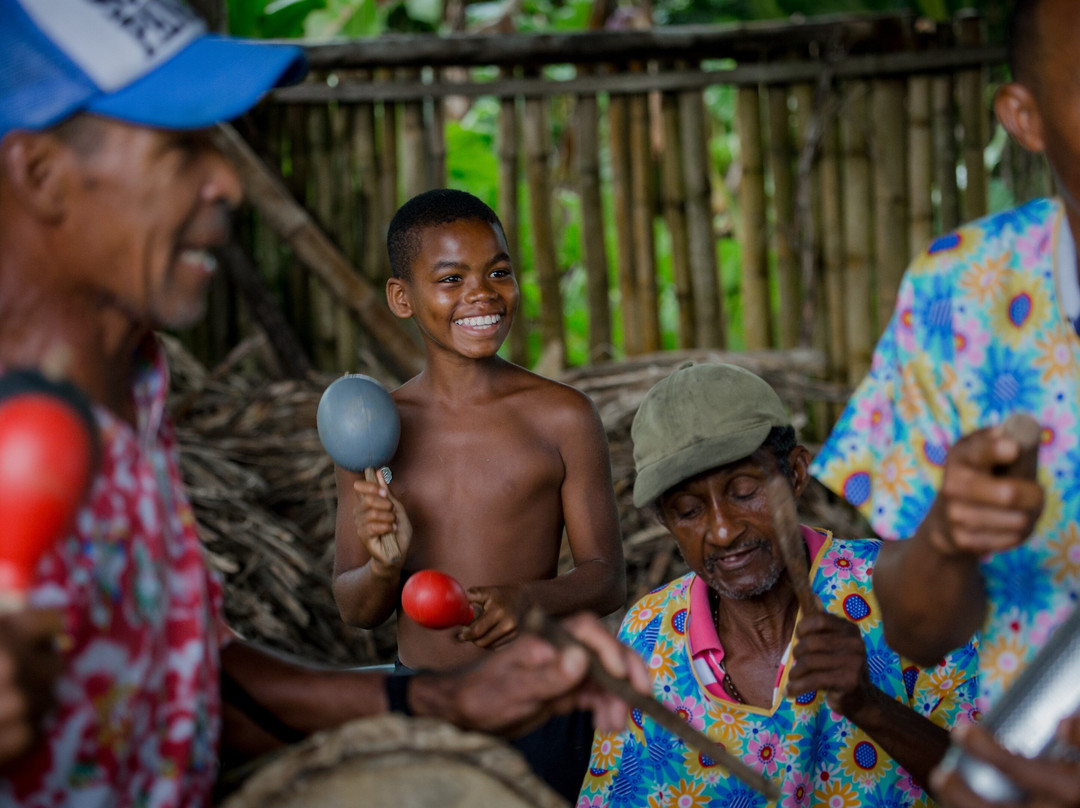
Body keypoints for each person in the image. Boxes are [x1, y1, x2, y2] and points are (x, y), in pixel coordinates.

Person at [0, 2, 649, 805]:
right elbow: (353, 607)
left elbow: (199, 677)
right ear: (41, 174)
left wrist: (440, 704)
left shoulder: (137, 387)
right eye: (178, 145)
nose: (228, 181)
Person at [810, 0, 1078, 722]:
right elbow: (918, 634)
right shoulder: (961, 292)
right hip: (1029, 762)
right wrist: (947, 538)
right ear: (1025, 118)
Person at [331, 188, 627, 797]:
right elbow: (356, 608)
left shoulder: (563, 417)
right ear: (401, 298)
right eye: (451, 278)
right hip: (423, 706)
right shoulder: (373, 432)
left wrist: (528, 600)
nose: (482, 293)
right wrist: (384, 568)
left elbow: (606, 578)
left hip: (538, 702)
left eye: (498, 272)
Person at [577, 363, 979, 808]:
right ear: (664, 521)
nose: (723, 531)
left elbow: (1002, 787)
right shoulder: (648, 635)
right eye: (689, 511)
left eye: (744, 491)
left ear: (797, 473)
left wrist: (869, 706)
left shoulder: (904, 589)